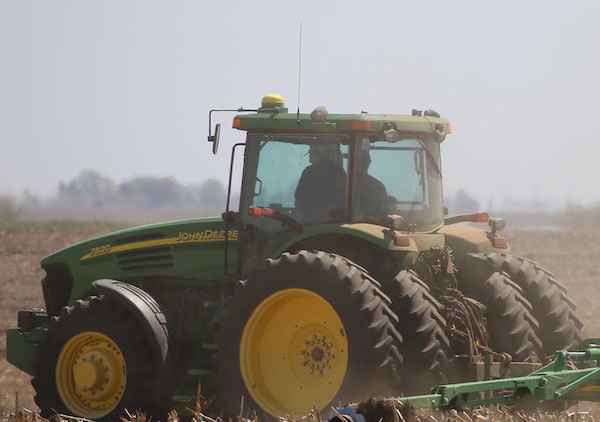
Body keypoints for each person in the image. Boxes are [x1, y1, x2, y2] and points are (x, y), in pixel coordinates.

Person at [295, 143, 346, 222]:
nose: (310, 154)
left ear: (319, 152)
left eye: (311, 151)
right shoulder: (339, 170)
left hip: (312, 220)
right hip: (333, 219)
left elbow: (300, 197)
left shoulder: (310, 171)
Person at [356, 150, 395, 219]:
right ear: (369, 163)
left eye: (363, 161)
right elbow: (383, 213)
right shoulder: (377, 185)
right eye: (362, 161)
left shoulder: (341, 183)